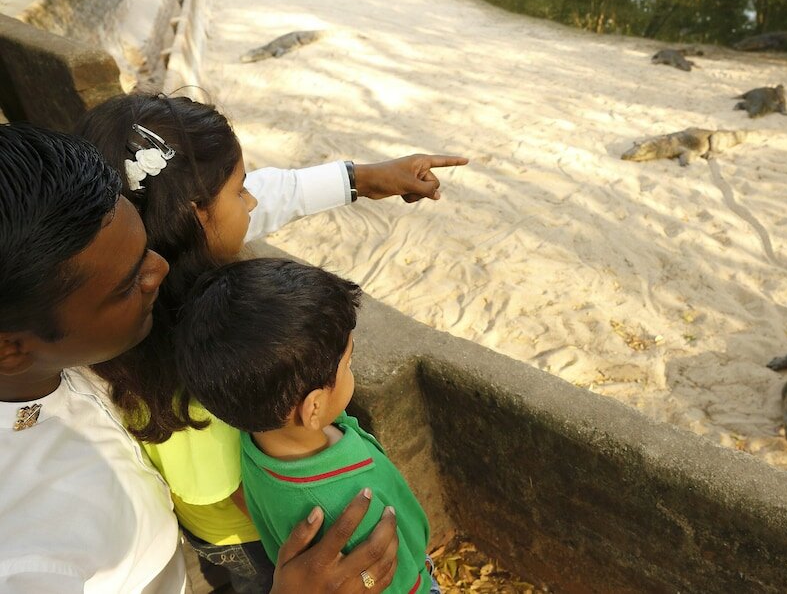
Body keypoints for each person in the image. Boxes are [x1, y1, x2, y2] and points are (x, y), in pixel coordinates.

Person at [73, 92, 466, 591]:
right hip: (260, 540)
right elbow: (218, 486)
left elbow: (264, 197)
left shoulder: (143, 270)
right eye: (240, 191)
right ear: (193, 216)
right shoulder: (198, 366)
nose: (253, 200)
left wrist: (362, 178)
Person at [0, 123, 399, 593]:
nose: (162, 269)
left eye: (147, 243)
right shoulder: (33, 555)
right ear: (10, 348)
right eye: (129, 283)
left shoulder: (69, 343)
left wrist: (351, 179)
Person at [175, 259, 437, 594]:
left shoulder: (259, 435)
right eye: (349, 362)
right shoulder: (351, 509)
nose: (351, 368)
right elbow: (385, 579)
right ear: (313, 407)